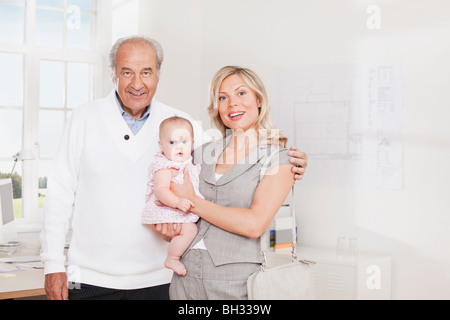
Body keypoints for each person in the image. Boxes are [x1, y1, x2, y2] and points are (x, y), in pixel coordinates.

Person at [40, 35, 308, 300]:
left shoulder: (182, 124)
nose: (137, 83)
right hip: (91, 278)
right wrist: (53, 263)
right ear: (114, 75)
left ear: (158, 75)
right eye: (127, 72)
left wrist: (290, 160)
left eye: (146, 72)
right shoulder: (84, 119)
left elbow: (237, 159)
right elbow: (59, 194)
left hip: (161, 279)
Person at [167, 66, 299, 300]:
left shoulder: (278, 158)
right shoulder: (200, 153)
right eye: (222, 97)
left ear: (258, 100)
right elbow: (173, 203)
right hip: (185, 277)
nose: (232, 104)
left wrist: (192, 201)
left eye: (241, 93)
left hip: (237, 283)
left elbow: (253, 225)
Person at [142, 117, 202, 276]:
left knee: (191, 230)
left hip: (180, 206)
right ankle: (172, 258)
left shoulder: (188, 162)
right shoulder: (164, 165)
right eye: (172, 143)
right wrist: (177, 202)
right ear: (161, 146)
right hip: (168, 207)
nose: (179, 147)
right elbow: (161, 189)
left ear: (193, 143)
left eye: (184, 142)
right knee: (190, 230)